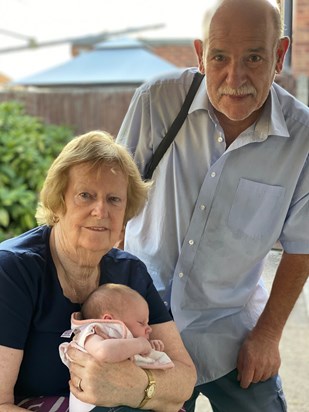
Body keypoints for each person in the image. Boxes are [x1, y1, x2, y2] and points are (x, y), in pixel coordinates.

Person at [116, 0, 309, 411]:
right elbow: (113, 202)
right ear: (201, 55)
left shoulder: (303, 138)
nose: (234, 77)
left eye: (254, 57)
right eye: (220, 57)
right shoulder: (157, 101)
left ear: (279, 55)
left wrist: (268, 336)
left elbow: (302, 244)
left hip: (232, 336)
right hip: (143, 329)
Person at [0, 130, 196, 412]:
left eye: (114, 199)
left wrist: (137, 387)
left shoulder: (131, 274)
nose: (101, 210)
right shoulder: (12, 271)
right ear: (59, 202)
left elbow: (185, 379)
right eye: (85, 195)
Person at [60, 283, 174, 412]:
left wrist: (150, 349)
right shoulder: (91, 333)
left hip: (123, 401)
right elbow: (103, 352)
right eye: (141, 322)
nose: (149, 328)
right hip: (95, 406)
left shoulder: (127, 341)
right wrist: (140, 344)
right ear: (109, 319)